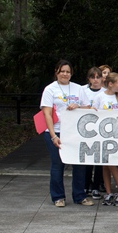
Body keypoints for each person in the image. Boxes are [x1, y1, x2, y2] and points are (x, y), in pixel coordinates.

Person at [40, 60, 94, 207]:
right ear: (56, 72)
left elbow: (88, 108)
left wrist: (78, 106)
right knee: (57, 165)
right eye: (62, 71)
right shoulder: (50, 89)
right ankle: (58, 197)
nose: (65, 74)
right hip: (57, 131)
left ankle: (80, 196)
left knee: (79, 165)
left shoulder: (78, 88)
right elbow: (47, 114)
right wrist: (53, 135)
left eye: (68, 72)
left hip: (75, 132)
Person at [92, 72, 118, 206]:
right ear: (111, 84)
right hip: (103, 135)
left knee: (112, 162)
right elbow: (94, 114)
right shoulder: (100, 97)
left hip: (117, 135)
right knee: (105, 164)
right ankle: (108, 192)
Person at [82, 67, 105, 199]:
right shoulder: (83, 91)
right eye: (92, 77)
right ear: (88, 79)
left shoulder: (105, 92)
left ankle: (96, 186)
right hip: (86, 129)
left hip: (101, 130)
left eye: (98, 77)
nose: (95, 80)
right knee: (87, 159)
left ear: (102, 78)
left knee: (98, 160)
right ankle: (86, 185)